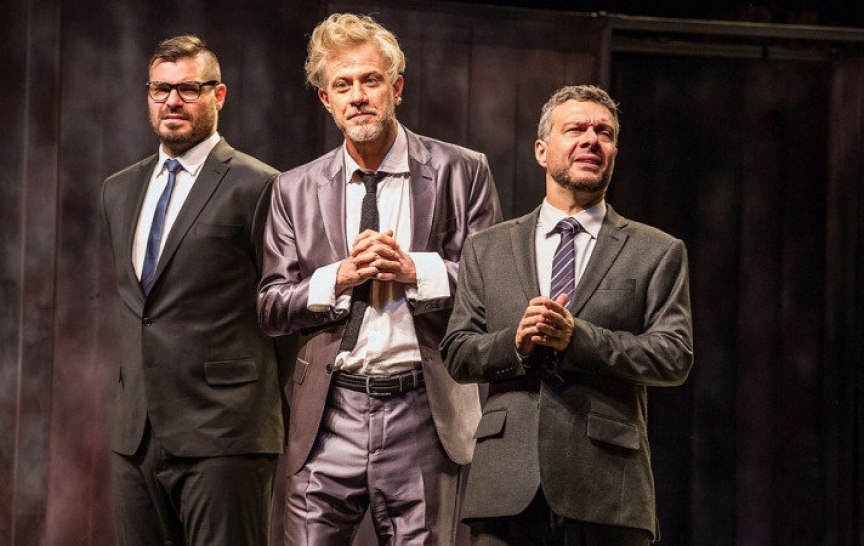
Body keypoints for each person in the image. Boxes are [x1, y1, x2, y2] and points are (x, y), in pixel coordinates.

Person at [257, 13, 502, 545]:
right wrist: (337, 278)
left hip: (424, 409)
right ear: (326, 100)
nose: (358, 96)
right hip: (328, 415)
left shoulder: (463, 171)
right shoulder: (292, 189)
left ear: (397, 88)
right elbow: (271, 306)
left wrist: (417, 271)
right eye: (342, 85)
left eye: (371, 80)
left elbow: (494, 291)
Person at [440, 85, 694, 545]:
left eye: (605, 133)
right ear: (542, 150)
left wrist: (578, 338)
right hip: (505, 489)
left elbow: (673, 356)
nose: (592, 140)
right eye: (576, 129)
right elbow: (457, 352)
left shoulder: (657, 250)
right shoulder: (487, 248)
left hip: (607, 491)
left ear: (614, 153)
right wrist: (514, 344)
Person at [101, 35, 291, 546]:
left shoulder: (260, 185)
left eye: (188, 88)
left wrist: (255, 410)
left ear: (218, 95)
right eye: (160, 89)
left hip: (226, 433)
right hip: (137, 436)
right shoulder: (118, 189)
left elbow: (285, 312)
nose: (172, 101)